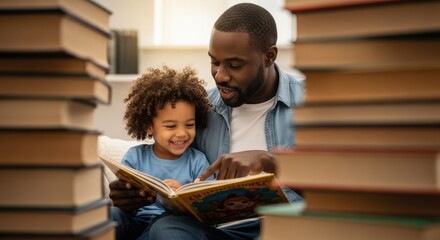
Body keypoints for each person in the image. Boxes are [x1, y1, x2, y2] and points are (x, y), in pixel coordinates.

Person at [109, 3, 304, 239]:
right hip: (215, 232)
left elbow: (344, 190)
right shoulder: (202, 108)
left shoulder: (310, 103)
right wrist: (129, 198)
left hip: (282, 230)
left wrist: (273, 163)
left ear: (269, 56)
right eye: (214, 62)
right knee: (164, 228)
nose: (220, 75)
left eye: (235, 65)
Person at [110, 65, 214, 239]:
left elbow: (208, 208)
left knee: (164, 229)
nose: (182, 133)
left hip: (174, 225)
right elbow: (123, 201)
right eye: (171, 126)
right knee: (110, 216)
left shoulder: (197, 161)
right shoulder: (135, 157)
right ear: (149, 126)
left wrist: (182, 196)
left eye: (189, 124)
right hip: (136, 222)